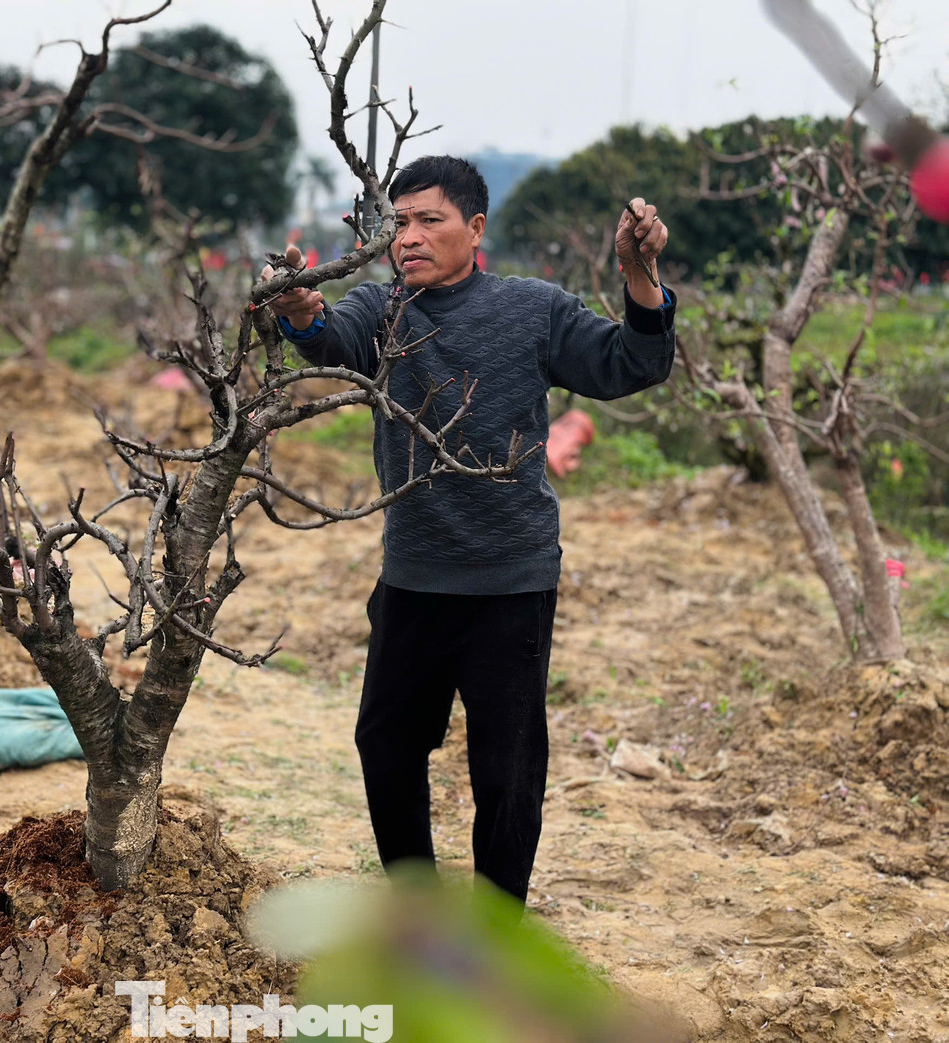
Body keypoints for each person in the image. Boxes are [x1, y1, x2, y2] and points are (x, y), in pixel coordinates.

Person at [262, 155, 674, 905]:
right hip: (413, 576)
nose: (408, 238)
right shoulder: (382, 312)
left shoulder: (533, 309)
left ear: (475, 227)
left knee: (507, 770)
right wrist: (297, 308)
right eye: (399, 223)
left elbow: (630, 364)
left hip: (510, 582)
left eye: (429, 220)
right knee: (384, 743)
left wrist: (637, 275)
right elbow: (327, 337)